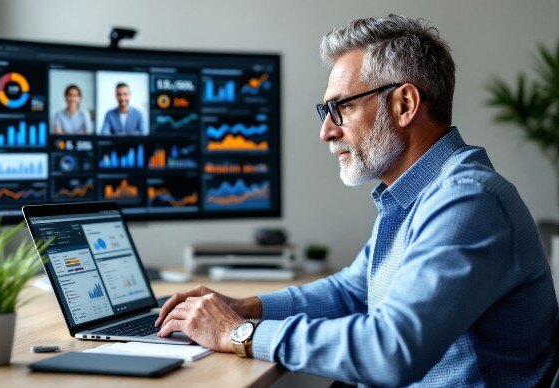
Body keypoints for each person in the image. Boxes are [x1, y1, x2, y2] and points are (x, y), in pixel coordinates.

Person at [155, 14, 558, 386]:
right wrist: (245, 307)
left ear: (404, 105)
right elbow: (351, 291)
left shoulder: (468, 200)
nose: (326, 131)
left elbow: (391, 350)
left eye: (341, 107)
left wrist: (236, 333)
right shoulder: (411, 194)